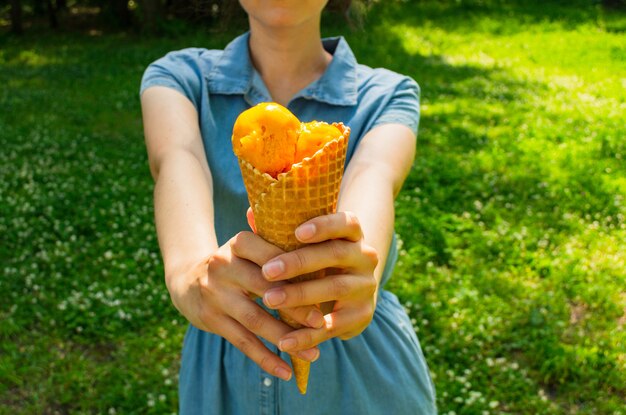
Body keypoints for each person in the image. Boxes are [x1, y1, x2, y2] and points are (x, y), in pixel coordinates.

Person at [139, 1, 436, 414]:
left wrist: (351, 270)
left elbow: (376, 175)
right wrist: (189, 272)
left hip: (358, 363)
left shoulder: (387, 94)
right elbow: (175, 159)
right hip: (225, 337)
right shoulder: (179, 79)